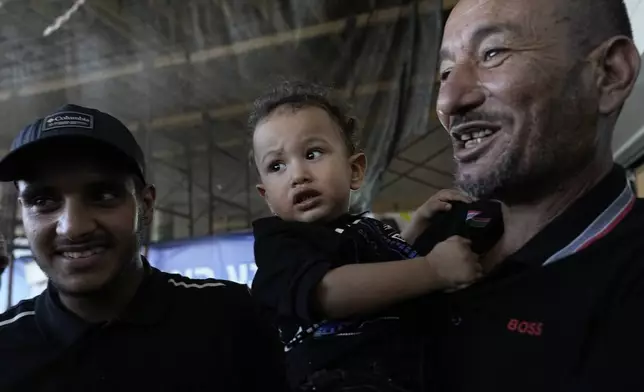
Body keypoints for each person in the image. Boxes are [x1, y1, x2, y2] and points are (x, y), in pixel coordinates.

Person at [424, 0, 644, 390]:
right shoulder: (438, 230)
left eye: (493, 53)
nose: (448, 101)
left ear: (609, 74)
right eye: (444, 72)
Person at [0, 104, 288, 391]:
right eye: (42, 201)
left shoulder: (231, 318)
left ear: (146, 205)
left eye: (103, 195)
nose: (74, 227)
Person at [248, 81, 485, 391]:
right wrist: (432, 270)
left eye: (312, 153)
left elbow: (379, 272)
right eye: (277, 165)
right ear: (267, 197)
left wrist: (415, 229)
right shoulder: (280, 244)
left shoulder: (361, 230)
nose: (297, 175)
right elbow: (329, 292)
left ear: (356, 170)